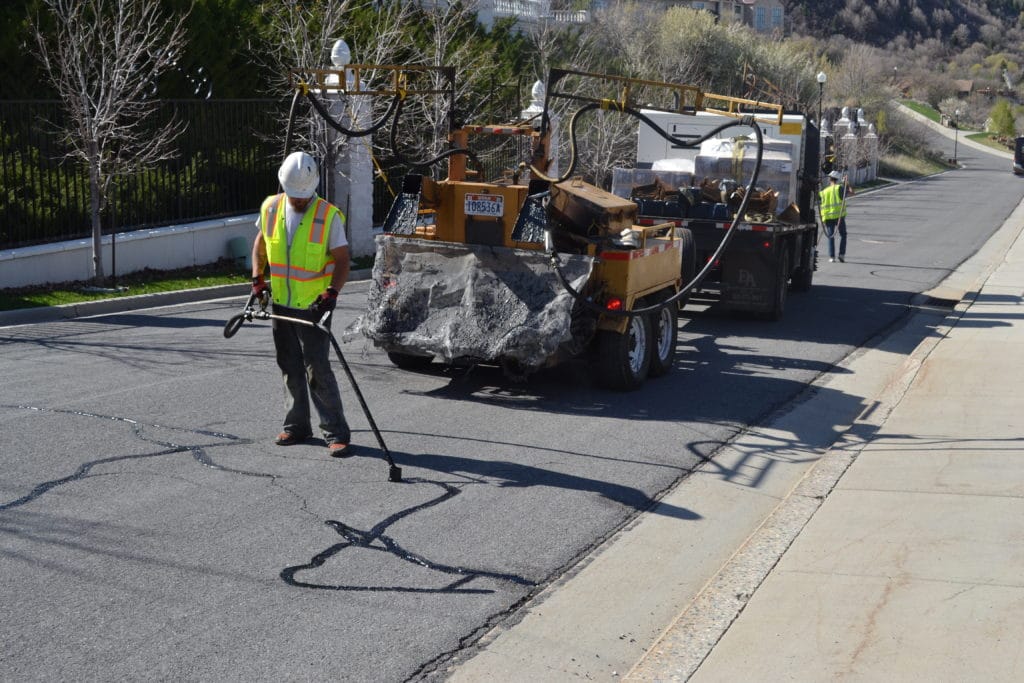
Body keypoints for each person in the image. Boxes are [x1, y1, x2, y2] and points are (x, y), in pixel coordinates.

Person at [251, 151, 352, 456]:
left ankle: (335, 432)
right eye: (293, 195)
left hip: (313, 307)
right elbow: (260, 244)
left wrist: (331, 293)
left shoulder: (327, 215)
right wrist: (257, 278)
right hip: (281, 303)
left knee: (317, 368)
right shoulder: (271, 208)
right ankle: (296, 426)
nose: (297, 200)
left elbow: (343, 260)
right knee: (289, 366)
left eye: (302, 196)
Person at [819, 169, 854, 263]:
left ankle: (832, 257)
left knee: (830, 236)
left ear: (830, 179)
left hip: (828, 217)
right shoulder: (839, 188)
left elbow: (819, 202)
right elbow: (851, 192)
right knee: (843, 235)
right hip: (839, 216)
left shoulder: (824, 191)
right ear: (837, 179)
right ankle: (841, 255)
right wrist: (846, 183)